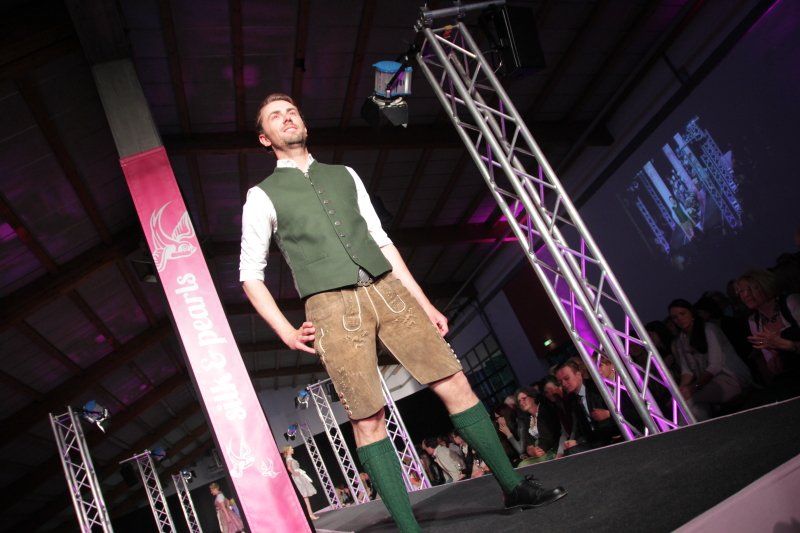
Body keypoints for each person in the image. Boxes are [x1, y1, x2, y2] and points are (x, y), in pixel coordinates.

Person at [239, 93, 566, 531]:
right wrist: (284, 330)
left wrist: (424, 302)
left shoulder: (344, 174)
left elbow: (381, 241)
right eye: (276, 116)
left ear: (304, 123)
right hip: (332, 308)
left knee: (454, 381)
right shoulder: (261, 196)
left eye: (292, 111)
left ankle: (513, 486)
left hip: (388, 290)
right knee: (368, 417)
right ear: (265, 137)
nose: (287, 118)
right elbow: (250, 274)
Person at [668, 299, 753, 420]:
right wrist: (680, 391)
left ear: (691, 313)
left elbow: (715, 366)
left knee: (689, 401)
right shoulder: (681, 340)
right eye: (675, 317)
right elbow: (687, 372)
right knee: (688, 403)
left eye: (682, 313)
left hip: (730, 378)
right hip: (706, 383)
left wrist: (693, 387)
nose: (679, 319)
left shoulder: (708, 329)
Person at [735, 270, 800, 398]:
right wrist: (773, 361)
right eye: (741, 291)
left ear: (765, 285)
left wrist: (791, 346)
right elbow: (769, 359)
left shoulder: (791, 302)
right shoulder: (754, 321)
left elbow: (789, 346)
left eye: (751, 289)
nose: (746, 295)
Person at [555, 360, 620, 454]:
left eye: (567, 378)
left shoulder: (597, 388)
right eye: (560, 382)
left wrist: (609, 414)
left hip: (612, 437)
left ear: (578, 374)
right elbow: (580, 428)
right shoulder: (572, 400)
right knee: (569, 451)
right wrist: (576, 441)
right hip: (595, 440)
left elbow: (621, 415)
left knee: (572, 451)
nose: (563, 384)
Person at [282, 446, 319, 520]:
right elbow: (289, 467)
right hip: (298, 477)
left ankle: (310, 514)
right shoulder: (289, 458)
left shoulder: (290, 458)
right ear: (288, 450)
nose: (292, 449)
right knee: (305, 495)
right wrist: (295, 473)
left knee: (305, 496)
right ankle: (310, 514)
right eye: (291, 448)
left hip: (299, 476)